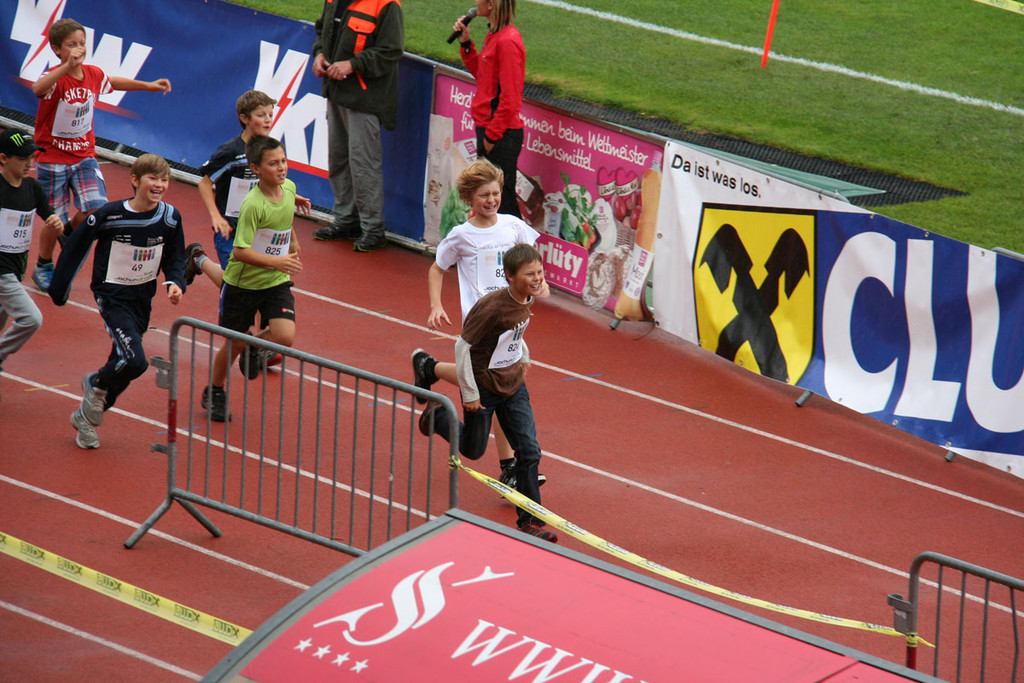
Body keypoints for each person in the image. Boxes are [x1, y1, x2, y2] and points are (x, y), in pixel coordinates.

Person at [411, 159, 546, 488]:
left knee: (504, 384)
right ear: (469, 198)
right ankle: (509, 464)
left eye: (496, 193)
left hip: (511, 319)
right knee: (496, 384)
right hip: (481, 325)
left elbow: (530, 262)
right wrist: (436, 305)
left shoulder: (513, 227)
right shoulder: (462, 236)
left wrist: (539, 284)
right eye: (484, 195)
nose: (491, 200)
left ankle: (428, 368)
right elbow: (436, 268)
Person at [418, 243, 555, 542]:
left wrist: (524, 355)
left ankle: (530, 521)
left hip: (513, 385)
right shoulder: (492, 307)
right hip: (484, 385)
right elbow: (462, 346)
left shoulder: (526, 297)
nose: (537, 279)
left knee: (529, 452)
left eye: (539, 272)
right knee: (473, 449)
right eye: (530, 274)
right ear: (510, 276)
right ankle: (436, 417)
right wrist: (470, 393)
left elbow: (516, 329)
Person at [48, 154, 186, 449]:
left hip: (142, 300)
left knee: (121, 363)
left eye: (164, 180)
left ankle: (86, 419)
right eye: (152, 178)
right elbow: (75, 246)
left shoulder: (170, 218)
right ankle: (96, 383)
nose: (159, 185)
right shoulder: (110, 215)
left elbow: (176, 256)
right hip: (112, 298)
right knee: (135, 361)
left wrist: (176, 282)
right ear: (135, 180)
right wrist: (59, 289)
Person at [30, 17, 172, 292]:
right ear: (57, 49)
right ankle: (44, 263)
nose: (79, 49)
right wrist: (66, 67)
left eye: (82, 43)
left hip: (84, 155)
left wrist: (148, 85)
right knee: (53, 219)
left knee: (96, 207)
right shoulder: (55, 78)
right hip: (53, 158)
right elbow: (38, 89)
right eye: (71, 45)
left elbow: (112, 82)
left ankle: (70, 232)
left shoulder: (93, 74)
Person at [201, 136, 303, 423]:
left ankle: (254, 344)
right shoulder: (252, 205)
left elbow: (286, 216)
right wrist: (278, 260)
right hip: (243, 285)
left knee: (285, 336)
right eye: (273, 164)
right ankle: (215, 390)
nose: (281, 167)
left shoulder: (289, 188)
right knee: (233, 343)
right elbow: (240, 251)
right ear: (256, 169)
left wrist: (293, 240)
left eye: (283, 161)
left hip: (275, 281)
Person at [310, 0, 404, 252]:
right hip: (336, 93)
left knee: (364, 165)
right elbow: (322, 29)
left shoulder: (386, 5)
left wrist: (352, 65)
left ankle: (373, 230)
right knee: (338, 160)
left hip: (365, 100)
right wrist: (319, 54)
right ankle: (346, 221)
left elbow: (391, 51)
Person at [184, 90, 278, 289]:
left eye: (270, 114)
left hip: (257, 229)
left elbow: (269, 182)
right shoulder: (231, 152)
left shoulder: (269, 149)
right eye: (261, 115)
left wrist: (292, 196)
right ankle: (199, 260)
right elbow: (205, 184)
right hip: (231, 230)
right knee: (240, 286)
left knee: (251, 284)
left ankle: (198, 259)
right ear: (245, 118)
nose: (268, 120)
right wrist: (216, 217)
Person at [0, 130, 64, 400]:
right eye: (23, 158)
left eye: (32, 157)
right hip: (2, 273)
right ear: (3, 159)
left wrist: (56, 223)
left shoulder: (32, 188)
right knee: (31, 318)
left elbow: (50, 216)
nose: (30, 164)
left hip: (16, 269)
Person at [452, 0, 525, 218]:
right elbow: (485, 77)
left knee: (503, 207)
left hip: (500, 135)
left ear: (491, 4)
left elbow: (510, 99)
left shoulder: (508, 41)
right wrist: (466, 45)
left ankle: (521, 242)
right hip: (491, 130)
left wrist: (491, 137)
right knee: (493, 206)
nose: (476, 2)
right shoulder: (495, 34)